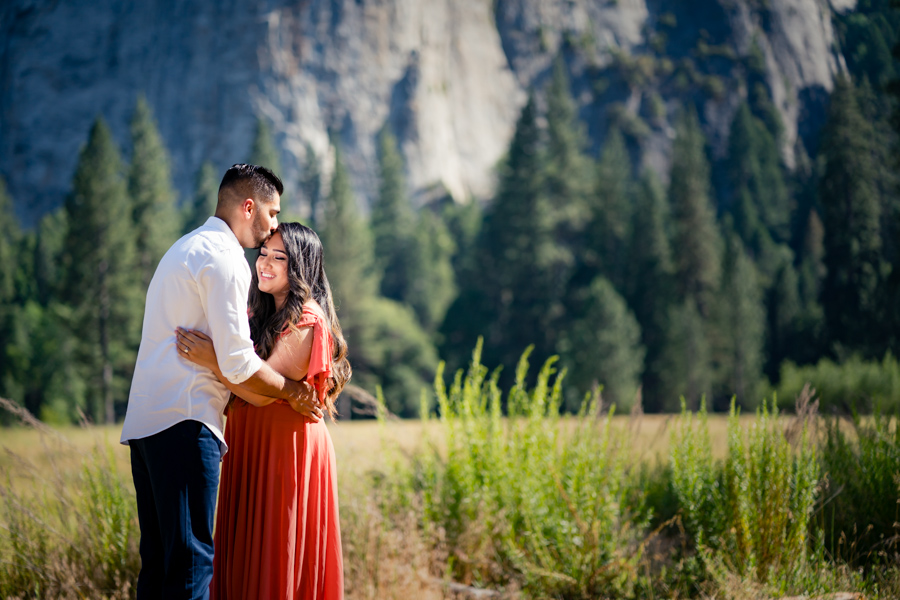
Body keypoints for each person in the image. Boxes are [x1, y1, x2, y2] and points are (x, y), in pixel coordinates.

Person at [121, 165, 324, 600]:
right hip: (186, 421)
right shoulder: (226, 258)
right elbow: (237, 365)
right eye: (271, 213)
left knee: (157, 567)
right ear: (248, 206)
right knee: (191, 566)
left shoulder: (185, 246)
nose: (273, 224)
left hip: (147, 423)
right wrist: (292, 392)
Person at [176, 222, 349, 599]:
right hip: (251, 441)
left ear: (300, 266)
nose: (265, 264)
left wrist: (211, 359)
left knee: (274, 557)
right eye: (263, 254)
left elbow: (260, 389)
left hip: (285, 449)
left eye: (279, 258)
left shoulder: (306, 318)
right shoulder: (259, 313)